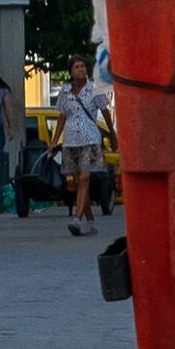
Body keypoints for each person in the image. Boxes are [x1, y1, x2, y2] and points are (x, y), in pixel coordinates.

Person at [56, 59, 111, 234]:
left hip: (90, 139)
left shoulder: (95, 88)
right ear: (71, 72)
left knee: (85, 178)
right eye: (76, 67)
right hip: (71, 140)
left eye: (83, 66)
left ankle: (77, 219)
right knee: (79, 182)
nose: (81, 70)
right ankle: (90, 221)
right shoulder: (65, 92)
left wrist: (113, 134)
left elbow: (105, 112)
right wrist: (54, 140)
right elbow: (62, 117)